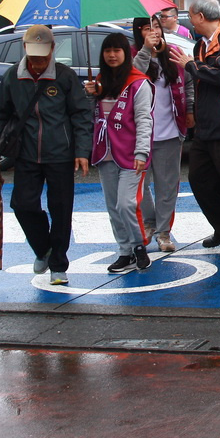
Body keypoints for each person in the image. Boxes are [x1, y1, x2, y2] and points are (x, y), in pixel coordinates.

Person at [0, 25, 93, 286]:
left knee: (61, 209)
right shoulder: (13, 76)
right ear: (25, 49)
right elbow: (0, 114)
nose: (37, 64)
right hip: (26, 153)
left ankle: (58, 263)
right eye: (33, 58)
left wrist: (81, 151)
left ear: (52, 50)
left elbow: (81, 115)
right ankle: (43, 248)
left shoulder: (65, 77)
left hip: (61, 154)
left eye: (42, 58)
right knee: (22, 205)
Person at [169, 0, 220, 259]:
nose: (190, 21)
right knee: (200, 181)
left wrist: (190, 65)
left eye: (191, 16)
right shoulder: (198, 46)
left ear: (200, 17)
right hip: (205, 128)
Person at [86, 31, 153, 275]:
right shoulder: (99, 82)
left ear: (126, 53)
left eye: (117, 50)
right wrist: (90, 96)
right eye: (107, 51)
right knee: (113, 206)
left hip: (130, 154)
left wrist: (142, 152)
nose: (112, 55)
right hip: (105, 153)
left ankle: (139, 246)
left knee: (127, 204)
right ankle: (124, 251)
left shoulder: (138, 82)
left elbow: (145, 119)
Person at [133, 17, 194, 253]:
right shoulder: (134, 55)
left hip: (170, 130)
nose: (154, 32)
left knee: (167, 186)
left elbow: (187, 82)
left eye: (157, 27)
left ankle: (164, 232)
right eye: (148, 29)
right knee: (140, 184)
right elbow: (133, 76)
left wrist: (189, 109)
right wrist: (146, 50)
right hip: (140, 134)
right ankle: (149, 223)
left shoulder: (174, 53)